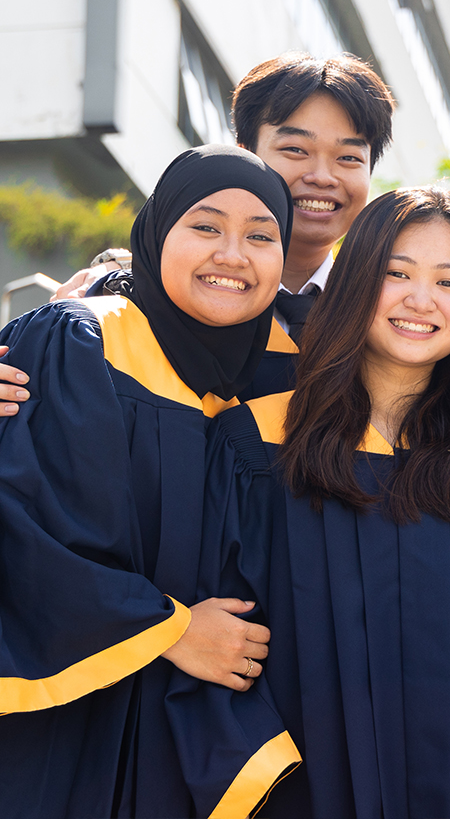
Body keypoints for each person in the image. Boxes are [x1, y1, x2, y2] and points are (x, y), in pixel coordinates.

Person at [164, 188, 450, 819]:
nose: (421, 300)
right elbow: (211, 641)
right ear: (355, 282)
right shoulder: (255, 443)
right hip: (297, 789)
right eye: (396, 273)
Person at [0, 146, 294, 818]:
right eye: (205, 226)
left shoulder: (261, 387)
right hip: (58, 727)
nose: (232, 253)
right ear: (158, 233)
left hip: (177, 741)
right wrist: (171, 629)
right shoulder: (80, 340)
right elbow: (22, 528)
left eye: (260, 236)